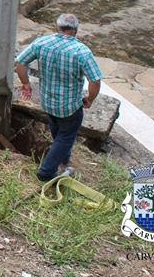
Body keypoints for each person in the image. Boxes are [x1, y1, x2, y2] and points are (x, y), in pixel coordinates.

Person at [15, 13, 102, 182]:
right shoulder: (82, 51)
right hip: (70, 107)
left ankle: (63, 159)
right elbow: (95, 81)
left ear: (57, 27)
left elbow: (20, 63)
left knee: (58, 133)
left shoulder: (42, 43)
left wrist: (26, 83)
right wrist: (90, 98)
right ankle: (46, 172)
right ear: (75, 30)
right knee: (65, 137)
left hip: (48, 102)